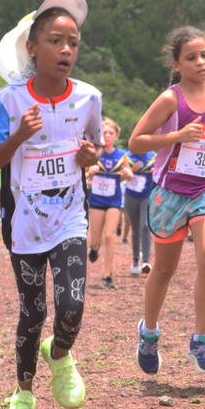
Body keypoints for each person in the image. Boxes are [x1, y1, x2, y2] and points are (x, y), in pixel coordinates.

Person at [0, 0, 102, 409]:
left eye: (73, 42)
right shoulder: (8, 101)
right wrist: (18, 137)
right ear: (32, 47)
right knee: (32, 312)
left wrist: (90, 157)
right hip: (24, 223)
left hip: (70, 217)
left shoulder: (89, 97)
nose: (65, 50)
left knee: (72, 305)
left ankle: (61, 353)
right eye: (55, 40)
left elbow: (92, 151)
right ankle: (23, 397)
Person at [128, 26, 205, 375]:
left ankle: (201, 340)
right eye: (191, 57)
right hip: (170, 193)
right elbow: (135, 142)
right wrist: (175, 135)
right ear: (177, 64)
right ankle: (148, 333)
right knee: (164, 269)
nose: (200, 62)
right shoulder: (169, 100)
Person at [86, 118, 131, 288]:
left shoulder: (122, 155)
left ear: (117, 136)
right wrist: (90, 173)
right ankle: (94, 248)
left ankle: (107, 275)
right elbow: (83, 177)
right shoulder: (93, 152)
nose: (107, 135)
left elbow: (127, 176)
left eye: (111, 133)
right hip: (97, 199)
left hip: (113, 199)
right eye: (104, 132)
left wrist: (128, 173)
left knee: (110, 236)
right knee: (96, 239)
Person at [125, 148, 156, 275]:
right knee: (135, 228)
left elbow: (160, 173)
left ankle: (146, 261)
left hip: (146, 195)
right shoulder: (127, 156)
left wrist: (156, 172)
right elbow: (120, 177)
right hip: (131, 195)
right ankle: (136, 258)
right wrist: (132, 171)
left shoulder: (153, 156)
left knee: (145, 225)